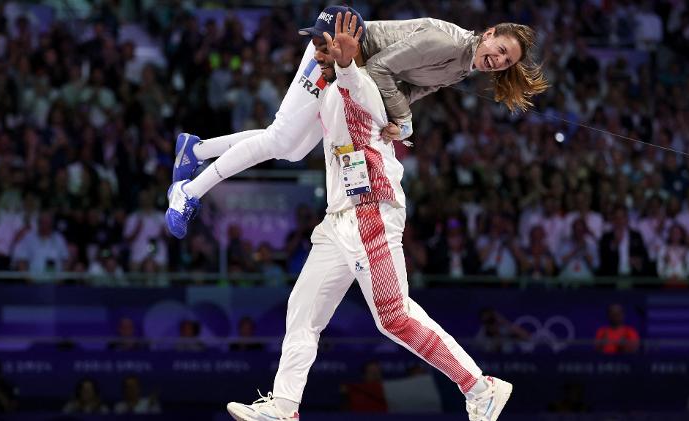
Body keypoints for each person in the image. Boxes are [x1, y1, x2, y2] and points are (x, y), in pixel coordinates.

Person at [226, 9, 511, 421]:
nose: (316, 51)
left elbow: (355, 74)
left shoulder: (359, 81)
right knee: (303, 312)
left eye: (324, 44)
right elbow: (283, 137)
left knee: (394, 316)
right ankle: (285, 406)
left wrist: (346, 60)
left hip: (370, 212)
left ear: (348, 47)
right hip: (339, 216)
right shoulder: (328, 85)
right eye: (317, 43)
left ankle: (481, 389)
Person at [165, 6, 548, 239]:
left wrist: (399, 120)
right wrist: (401, 116)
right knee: (282, 139)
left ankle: (195, 149)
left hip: (351, 74)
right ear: (490, 33)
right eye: (499, 49)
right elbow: (382, 67)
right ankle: (188, 192)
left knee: (294, 149)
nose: (498, 60)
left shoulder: (464, 65)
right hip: (335, 50)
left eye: (506, 60)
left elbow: (409, 89)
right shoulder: (447, 42)